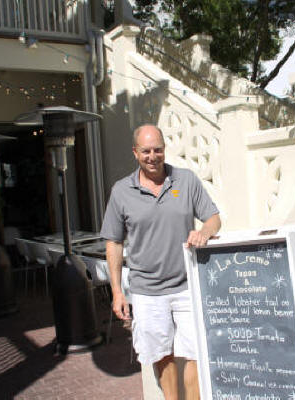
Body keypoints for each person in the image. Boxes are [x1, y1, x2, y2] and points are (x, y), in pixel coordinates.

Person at [100, 124, 221, 400]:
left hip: (187, 285)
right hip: (147, 291)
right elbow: (114, 243)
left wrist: (204, 232)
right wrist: (117, 291)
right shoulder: (121, 191)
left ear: (165, 149)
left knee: (195, 353)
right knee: (162, 354)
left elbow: (214, 218)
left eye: (158, 150)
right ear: (135, 152)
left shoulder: (186, 180)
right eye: (146, 151)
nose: (152, 156)